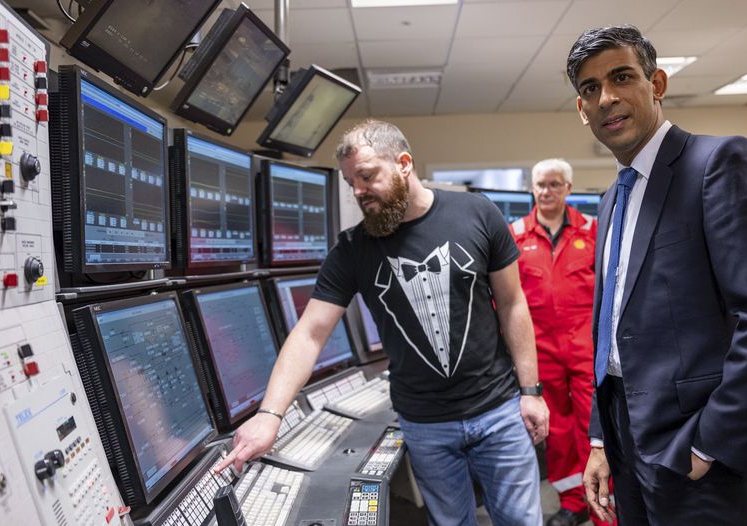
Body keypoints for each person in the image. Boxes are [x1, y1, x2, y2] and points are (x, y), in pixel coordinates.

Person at [217, 119, 550, 526]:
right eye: (350, 181)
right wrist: (270, 414)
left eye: (367, 176)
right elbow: (310, 333)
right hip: (425, 424)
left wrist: (530, 389)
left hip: (498, 410)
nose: (357, 190)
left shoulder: (477, 213)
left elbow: (513, 303)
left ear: (404, 163)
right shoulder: (354, 248)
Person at [565, 25, 747, 525]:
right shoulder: (612, 196)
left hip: (693, 442)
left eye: (622, 77)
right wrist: (600, 439)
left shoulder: (716, 163)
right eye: (590, 89)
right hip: (622, 435)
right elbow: (610, 333)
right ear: (581, 109)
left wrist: (714, 440)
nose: (607, 98)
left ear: (656, 84)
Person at [510, 159, 611, 526]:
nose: (546, 191)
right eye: (540, 184)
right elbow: (503, 298)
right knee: (556, 431)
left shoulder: (594, 230)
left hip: (586, 350)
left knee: (596, 428)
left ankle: (604, 504)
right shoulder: (515, 234)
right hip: (540, 353)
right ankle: (573, 501)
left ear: (568, 188)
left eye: (554, 184)